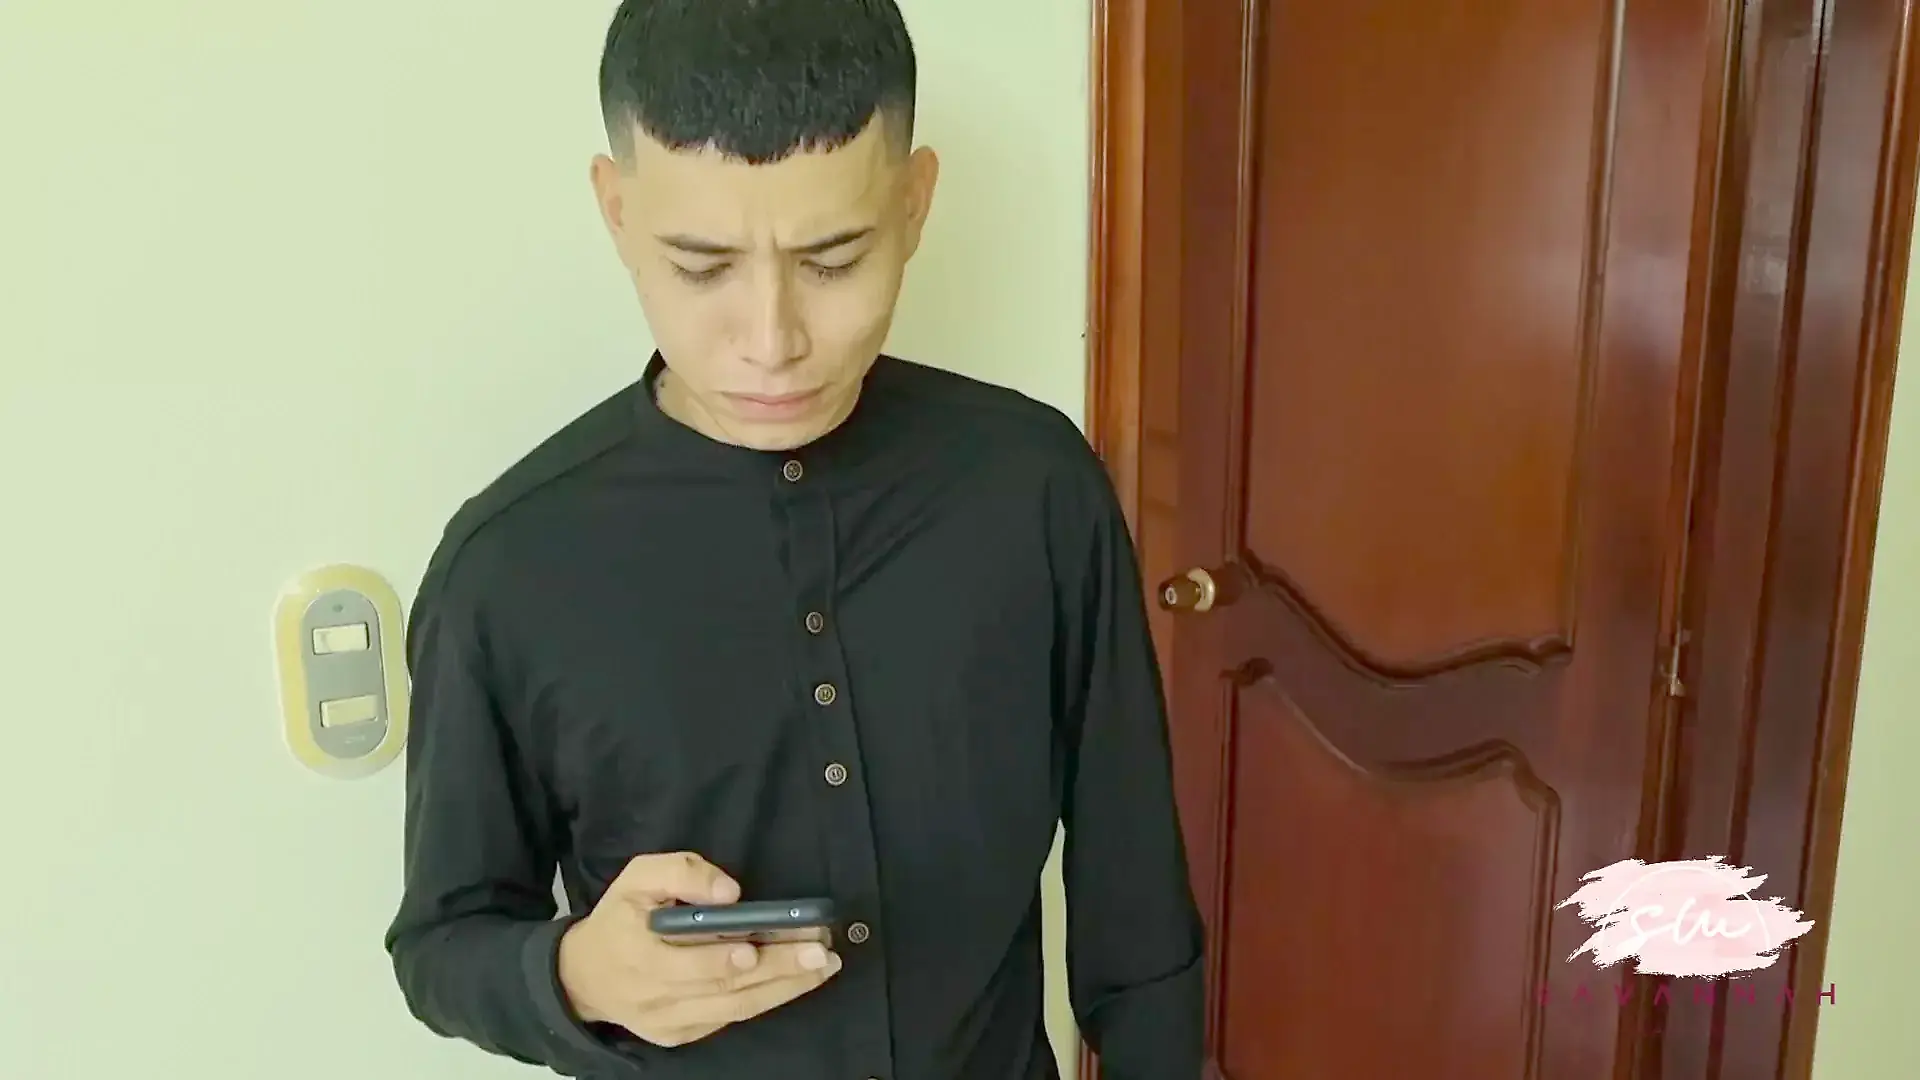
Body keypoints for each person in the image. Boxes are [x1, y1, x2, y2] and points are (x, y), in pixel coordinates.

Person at [382, 1, 1205, 1077]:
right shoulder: (505, 568)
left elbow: (1134, 893)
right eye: (702, 267)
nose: (771, 342)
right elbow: (442, 943)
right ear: (618, 212)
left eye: (833, 259)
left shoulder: (1037, 489)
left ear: (913, 204)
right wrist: (577, 974)